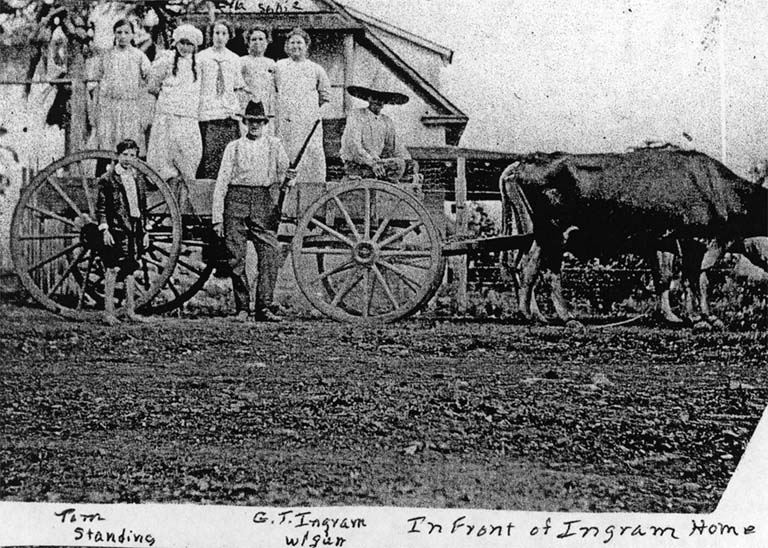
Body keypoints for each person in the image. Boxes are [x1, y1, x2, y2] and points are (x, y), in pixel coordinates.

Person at [212, 100, 296, 322]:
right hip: (236, 200)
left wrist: (289, 178)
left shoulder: (274, 145)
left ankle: (263, 307)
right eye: (251, 121)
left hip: (262, 200)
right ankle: (241, 308)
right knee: (235, 256)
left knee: (270, 252)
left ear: (265, 123)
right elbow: (222, 182)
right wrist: (217, 218)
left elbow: (283, 176)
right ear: (245, 122)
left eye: (259, 122)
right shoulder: (234, 147)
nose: (255, 125)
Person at [274, 28, 331, 220]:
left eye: (300, 43)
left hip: (309, 125)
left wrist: (309, 112)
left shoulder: (316, 69)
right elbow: (274, 92)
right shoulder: (279, 67)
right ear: (286, 46)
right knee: (287, 163)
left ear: (306, 46)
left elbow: (325, 96)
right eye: (292, 43)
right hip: (287, 125)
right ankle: (285, 212)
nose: (296, 46)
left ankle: (312, 212)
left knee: (310, 161)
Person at [95, 139, 151, 325]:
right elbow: (101, 208)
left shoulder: (138, 178)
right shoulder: (108, 179)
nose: (128, 159)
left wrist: (145, 231)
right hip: (116, 228)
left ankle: (130, 311)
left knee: (130, 269)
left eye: (132, 156)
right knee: (112, 269)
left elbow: (143, 207)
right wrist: (105, 230)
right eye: (125, 155)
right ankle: (108, 313)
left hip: (134, 227)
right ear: (118, 156)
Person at [146, 23, 204, 186]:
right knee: (164, 151)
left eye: (189, 44)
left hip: (188, 114)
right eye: (182, 43)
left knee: (188, 151)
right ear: (176, 43)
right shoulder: (166, 59)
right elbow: (152, 85)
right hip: (168, 113)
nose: (185, 47)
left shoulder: (199, 64)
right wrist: (168, 98)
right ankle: (163, 183)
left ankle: (184, 183)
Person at [93, 19, 151, 157]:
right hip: (109, 106)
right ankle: (106, 172)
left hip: (130, 106)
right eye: (119, 32)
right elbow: (96, 80)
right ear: (114, 34)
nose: (123, 36)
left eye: (126, 32)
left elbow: (150, 80)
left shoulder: (139, 56)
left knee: (129, 140)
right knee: (108, 142)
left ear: (132, 35)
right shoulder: (107, 56)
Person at [196, 20, 246, 179]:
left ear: (229, 36)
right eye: (217, 33)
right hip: (208, 112)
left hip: (228, 113)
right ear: (211, 35)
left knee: (228, 154)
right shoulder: (201, 57)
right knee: (209, 154)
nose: (219, 37)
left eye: (224, 33)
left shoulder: (234, 59)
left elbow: (237, 86)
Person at [340, 85, 411, 183]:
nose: (378, 101)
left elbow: (395, 147)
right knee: (398, 165)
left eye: (382, 98)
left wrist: (408, 161)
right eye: (374, 97)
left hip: (378, 165)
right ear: (368, 98)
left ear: (385, 102)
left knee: (401, 164)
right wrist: (372, 163)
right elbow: (354, 146)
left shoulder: (386, 121)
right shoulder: (357, 115)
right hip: (358, 165)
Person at [240, 27, 276, 133]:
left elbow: (275, 90)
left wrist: (272, 112)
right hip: (246, 110)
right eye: (254, 39)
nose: (257, 42)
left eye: (261, 39)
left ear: (267, 42)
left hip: (266, 111)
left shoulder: (272, 63)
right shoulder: (242, 62)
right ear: (248, 42)